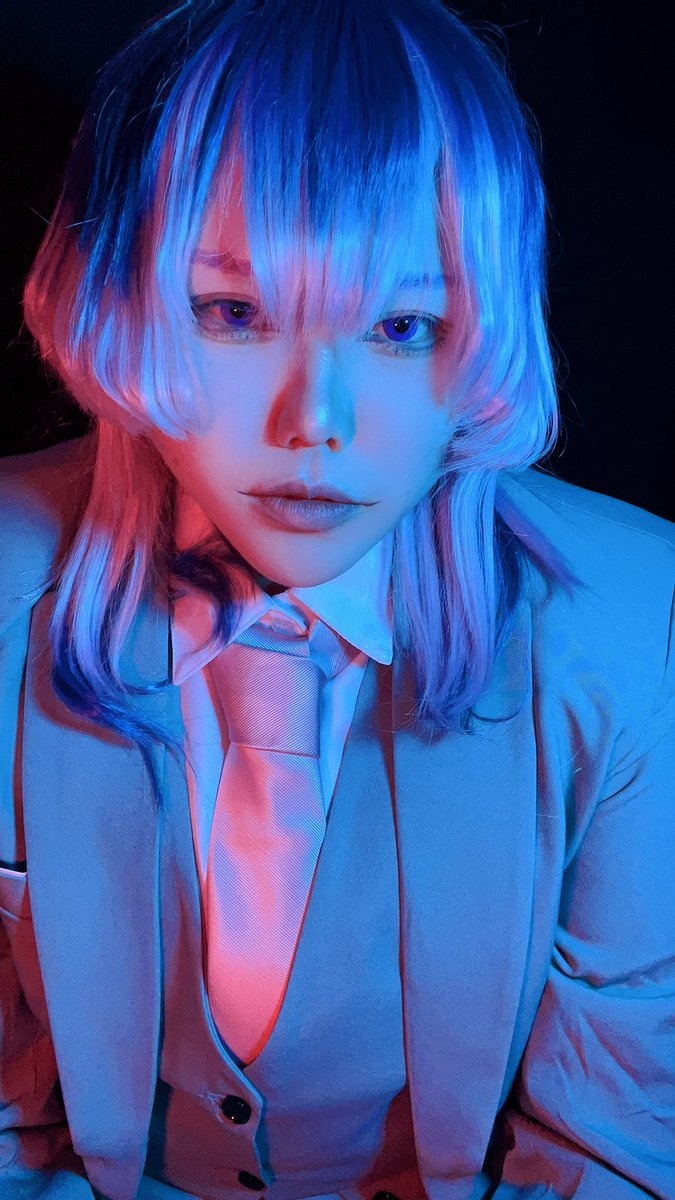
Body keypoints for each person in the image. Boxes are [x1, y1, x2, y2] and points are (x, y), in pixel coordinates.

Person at [1, 1, 673, 1197]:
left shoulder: (637, 626)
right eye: (235, 313)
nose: (316, 422)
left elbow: (609, 1150)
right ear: (120, 301)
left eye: (402, 326)